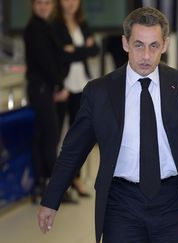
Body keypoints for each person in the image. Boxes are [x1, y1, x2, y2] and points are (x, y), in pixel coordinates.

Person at [37, 6, 178, 243]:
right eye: (138, 45)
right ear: (125, 43)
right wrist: (50, 200)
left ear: (164, 46)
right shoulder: (100, 92)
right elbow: (73, 150)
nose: (146, 55)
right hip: (121, 205)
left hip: (171, 203)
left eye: (154, 46)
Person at [52, 0, 99, 198]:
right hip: (63, 86)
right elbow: (60, 55)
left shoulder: (83, 24)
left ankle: (76, 178)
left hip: (82, 85)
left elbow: (94, 50)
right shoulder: (54, 25)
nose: (70, 3)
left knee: (78, 137)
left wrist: (74, 50)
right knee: (56, 136)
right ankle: (56, 182)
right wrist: (82, 50)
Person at [23, 0, 69, 203]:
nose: (43, 7)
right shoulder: (34, 29)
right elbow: (45, 62)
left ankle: (45, 186)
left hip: (46, 89)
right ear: (32, 5)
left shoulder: (46, 27)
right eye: (39, 3)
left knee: (47, 138)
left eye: (47, 3)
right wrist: (59, 85)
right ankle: (52, 190)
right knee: (49, 138)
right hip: (42, 90)